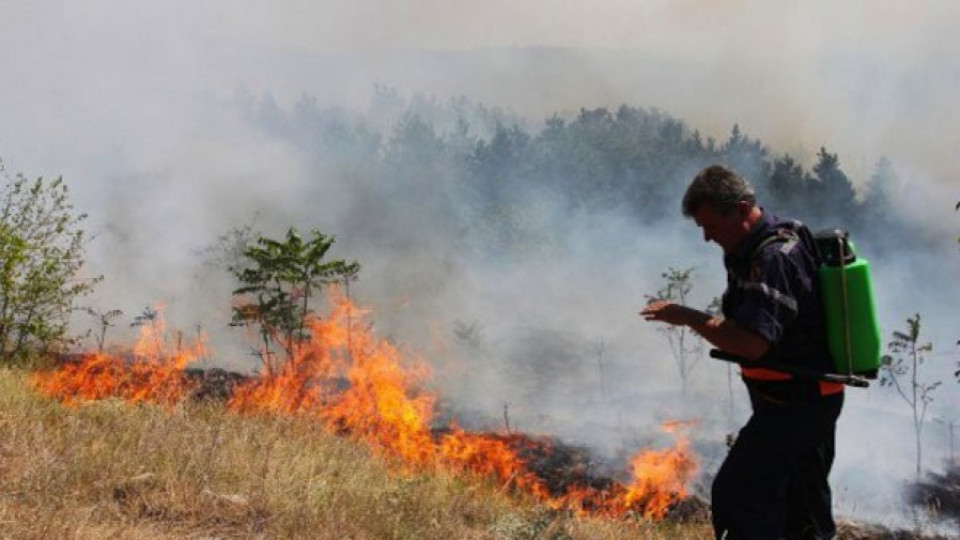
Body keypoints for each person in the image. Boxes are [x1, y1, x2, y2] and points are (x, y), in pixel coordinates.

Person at [640, 164, 843, 539]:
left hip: (799, 403)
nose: (706, 237)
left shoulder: (775, 258)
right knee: (800, 510)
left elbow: (752, 343)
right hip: (795, 398)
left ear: (742, 208)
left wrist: (687, 316)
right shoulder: (749, 250)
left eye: (711, 226)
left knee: (739, 495)